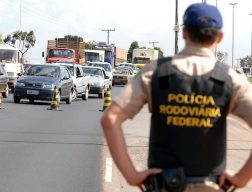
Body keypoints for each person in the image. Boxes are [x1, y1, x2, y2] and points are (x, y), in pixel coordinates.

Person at [101, 3, 252, 192]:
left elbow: (110, 119)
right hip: (212, 186)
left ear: (184, 33)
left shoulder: (156, 72)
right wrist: (241, 178)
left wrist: (132, 176)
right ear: (220, 37)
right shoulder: (231, 79)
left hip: (163, 185)